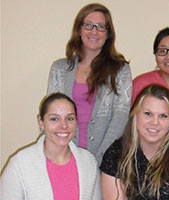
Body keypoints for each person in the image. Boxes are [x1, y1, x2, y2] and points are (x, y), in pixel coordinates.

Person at [1, 93, 106, 200]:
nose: (63, 126)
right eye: (54, 119)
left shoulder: (88, 162)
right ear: (41, 122)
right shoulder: (19, 165)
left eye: (69, 119)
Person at [48, 3, 132, 166]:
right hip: (64, 155)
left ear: (108, 34)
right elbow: (52, 114)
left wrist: (100, 157)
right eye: (88, 25)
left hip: (106, 158)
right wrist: (63, 154)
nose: (94, 31)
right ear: (79, 30)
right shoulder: (59, 69)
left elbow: (120, 117)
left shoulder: (120, 70)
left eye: (101, 27)